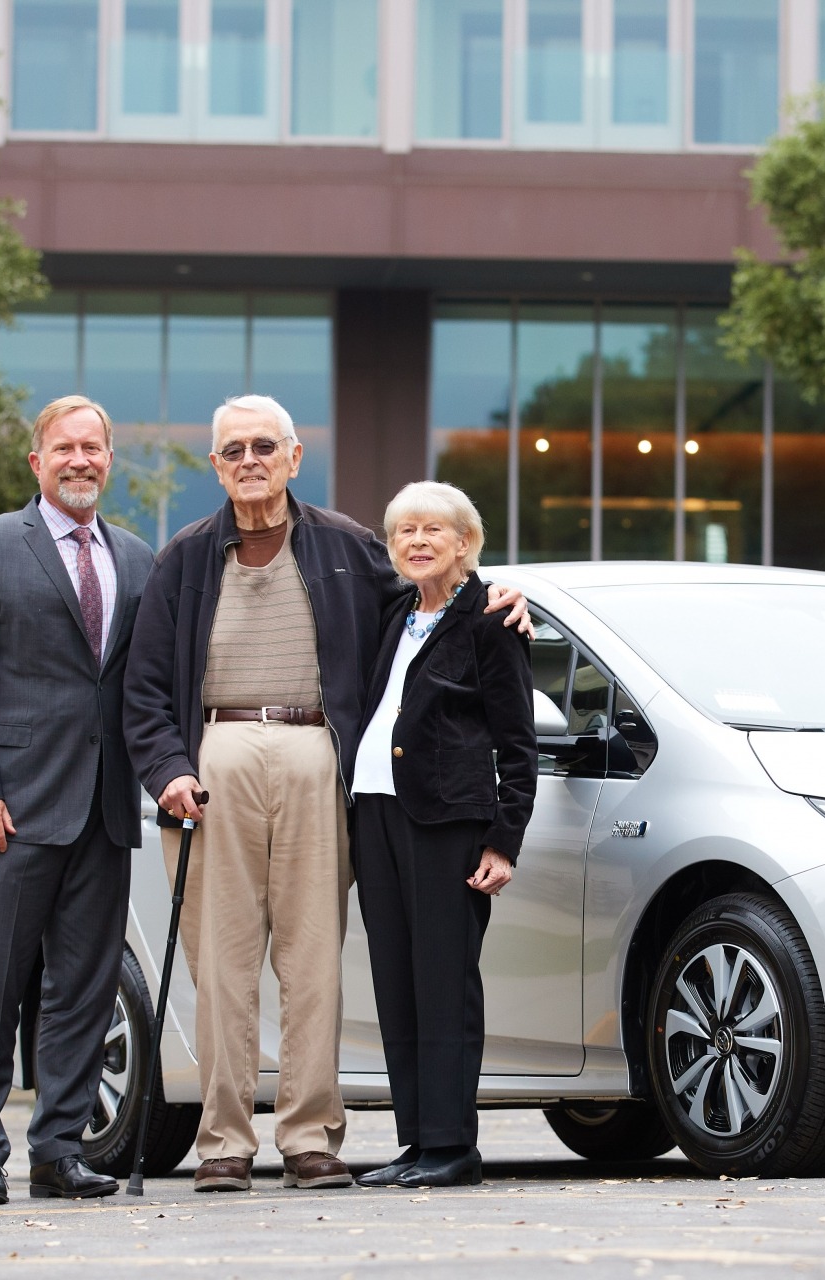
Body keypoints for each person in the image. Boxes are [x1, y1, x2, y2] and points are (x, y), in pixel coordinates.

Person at [123, 395, 530, 1194]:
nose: (249, 460)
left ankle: (311, 1138)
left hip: (320, 756)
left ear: (295, 456)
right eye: (232, 449)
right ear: (215, 464)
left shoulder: (349, 548)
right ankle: (225, 1144)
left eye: (264, 446)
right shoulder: (183, 558)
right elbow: (143, 686)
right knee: (224, 963)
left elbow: (438, 599)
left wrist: (505, 596)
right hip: (215, 759)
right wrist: (168, 768)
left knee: (314, 961)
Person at [0, 394, 155, 1207]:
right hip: (11, 812)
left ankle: (58, 1149)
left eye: (94, 448)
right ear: (38, 461)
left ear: (108, 460)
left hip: (103, 810)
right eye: (65, 448)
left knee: (83, 991)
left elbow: (143, 687)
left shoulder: (135, 558)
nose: (81, 460)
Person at [351, 482, 535, 1189]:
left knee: (443, 983)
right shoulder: (394, 611)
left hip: (448, 822)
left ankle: (451, 1145)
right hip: (376, 814)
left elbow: (518, 746)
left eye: (434, 530)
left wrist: (503, 839)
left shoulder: (491, 620)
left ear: (466, 543)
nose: (417, 541)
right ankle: (414, 1141)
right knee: (397, 983)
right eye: (405, 532)